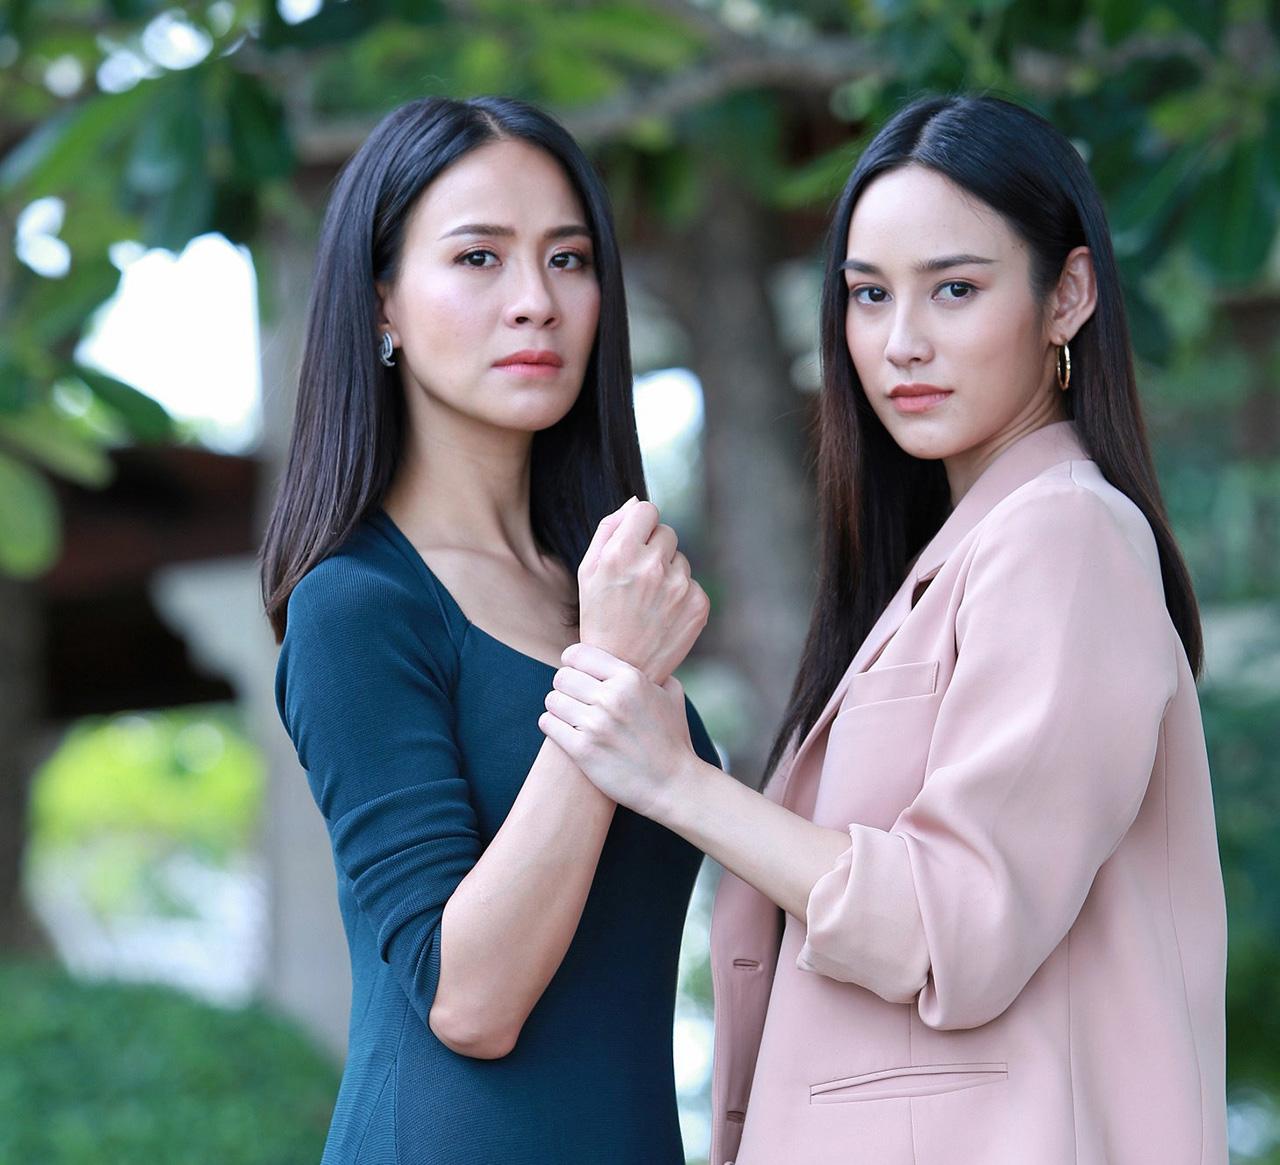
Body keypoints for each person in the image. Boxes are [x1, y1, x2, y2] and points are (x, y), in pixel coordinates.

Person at [540, 94, 1228, 1165]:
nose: (900, 343)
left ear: (1068, 294)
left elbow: (956, 926)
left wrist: (675, 780)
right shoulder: (959, 550)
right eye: (868, 294)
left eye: (954, 288)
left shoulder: (1064, 534)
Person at [261, 96, 716, 1165]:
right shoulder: (357, 604)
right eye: (478, 258)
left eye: (567, 259)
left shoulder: (597, 587)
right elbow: (469, 1001)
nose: (534, 303)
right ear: (382, 302)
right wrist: (609, 668)